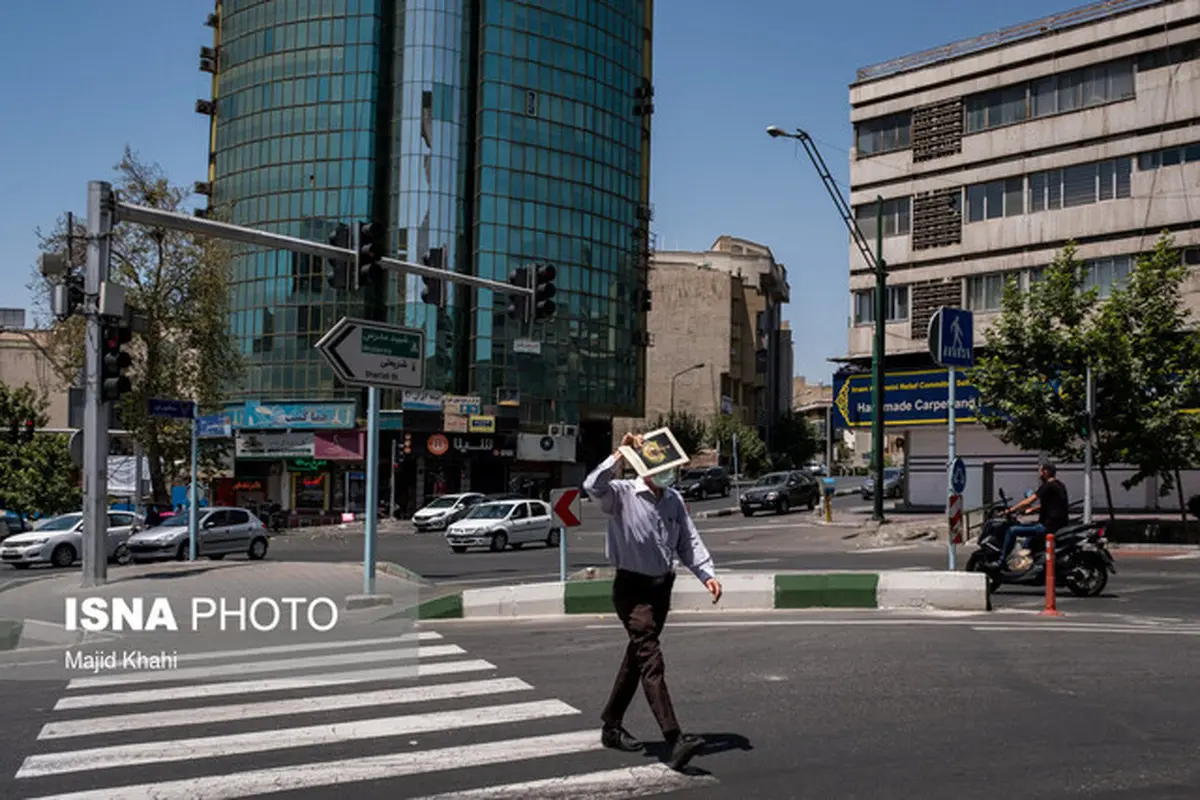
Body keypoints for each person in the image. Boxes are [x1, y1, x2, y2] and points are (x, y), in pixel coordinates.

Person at [583, 431, 722, 771]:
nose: (669, 473)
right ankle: (674, 738)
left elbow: (688, 540)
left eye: (672, 467)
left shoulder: (672, 499)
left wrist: (707, 574)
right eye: (664, 467)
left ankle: (612, 726)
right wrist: (621, 453)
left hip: (661, 590)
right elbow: (592, 485)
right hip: (632, 591)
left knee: (638, 658)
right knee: (651, 658)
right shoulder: (622, 494)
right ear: (645, 466)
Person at [997, 463, 1069, 569]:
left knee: (1012, 530)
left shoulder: (1047, 486)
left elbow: (1029, 501)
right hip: (1058, 524)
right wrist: (1033, 509)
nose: (1040, 474)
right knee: (1029, 540)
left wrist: (1010, 510)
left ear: (1046, 472)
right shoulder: (1060, 485)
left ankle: (1001, 561)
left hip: (1047, 526)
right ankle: (1030, 564)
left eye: (1041, 471)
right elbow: (1053, 504)